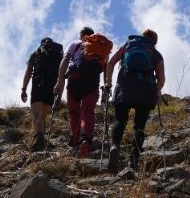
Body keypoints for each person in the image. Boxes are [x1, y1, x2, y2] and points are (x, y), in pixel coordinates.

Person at [102, 28, 165, 172]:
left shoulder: (127, 45)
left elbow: (111, 63)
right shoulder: (155, 53)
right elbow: (161, 79)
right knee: (139, 126)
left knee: (120, 120)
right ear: (154, 42)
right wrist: (156, 89)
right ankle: (133, 160)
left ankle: (114, 146)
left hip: (124, 88)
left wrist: (108, 83)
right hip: (145, 91)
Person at [54, 27, 112, 157]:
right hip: (92, 82)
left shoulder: (75, 44)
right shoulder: (101, 47)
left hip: (75, 80)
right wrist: (106, 86)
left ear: (82, 35)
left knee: (73, 111)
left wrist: (60, 81)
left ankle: (75, 137)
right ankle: (86, 138)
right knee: (88, 111)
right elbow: (106, 67)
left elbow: (65, 60)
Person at [22, 37, 64, 151]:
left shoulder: (36, 53)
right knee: (43, 116)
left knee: (36, 113)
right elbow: (61, 75)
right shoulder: (58, 55)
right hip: (52, 86)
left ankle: (39, 138)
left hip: (38, 84)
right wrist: (60, 95)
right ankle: (43, 139)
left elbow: (28, 72)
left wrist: (24, 89)